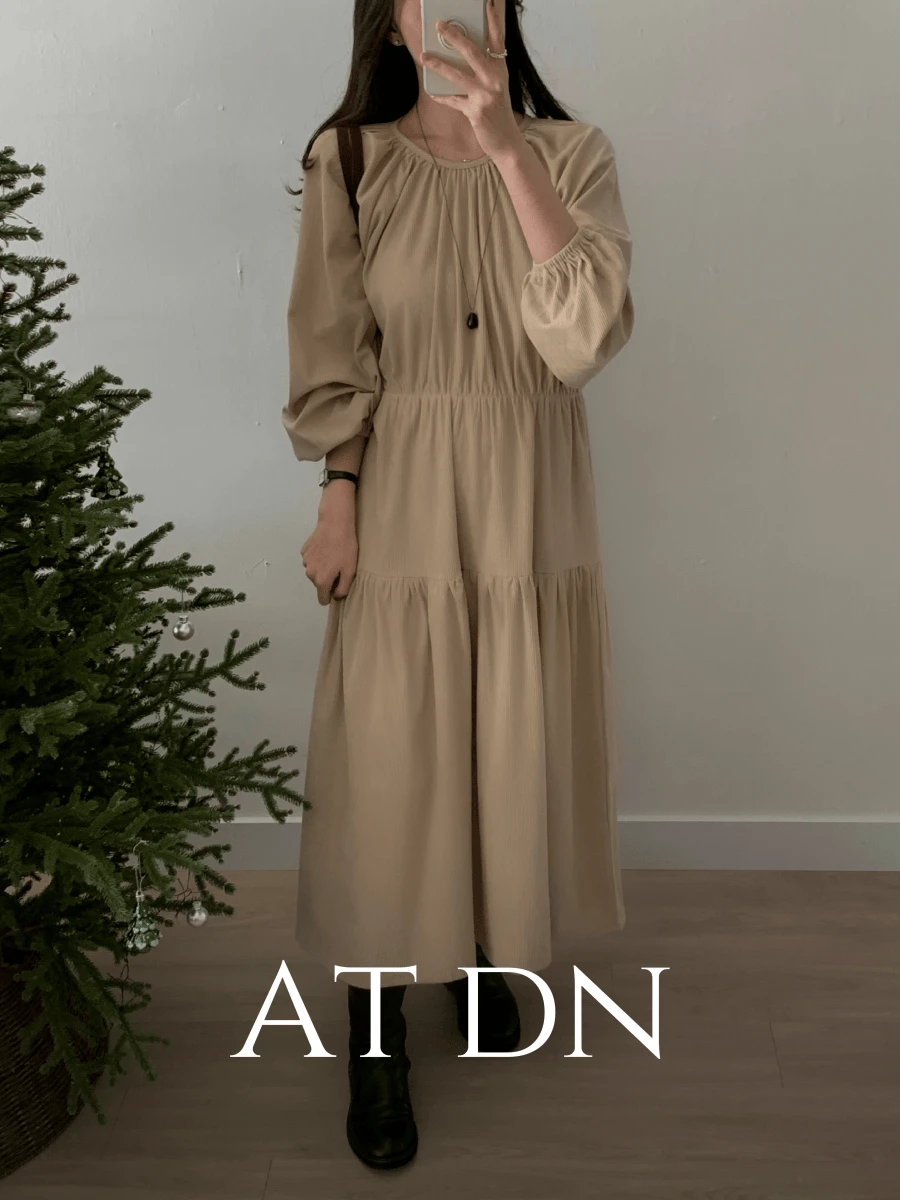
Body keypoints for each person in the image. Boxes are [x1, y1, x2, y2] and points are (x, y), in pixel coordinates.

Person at [283, 0, 635, 1171]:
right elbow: (335, 347)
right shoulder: (350, 159)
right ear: (391, 26)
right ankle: (376, 1030)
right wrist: (338, 496)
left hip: (530, 496)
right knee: (393, 757)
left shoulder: (572, 154)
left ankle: (476, 947)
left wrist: (506, 150)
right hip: (404, 487)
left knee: (500, 737)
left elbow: (583, 337)